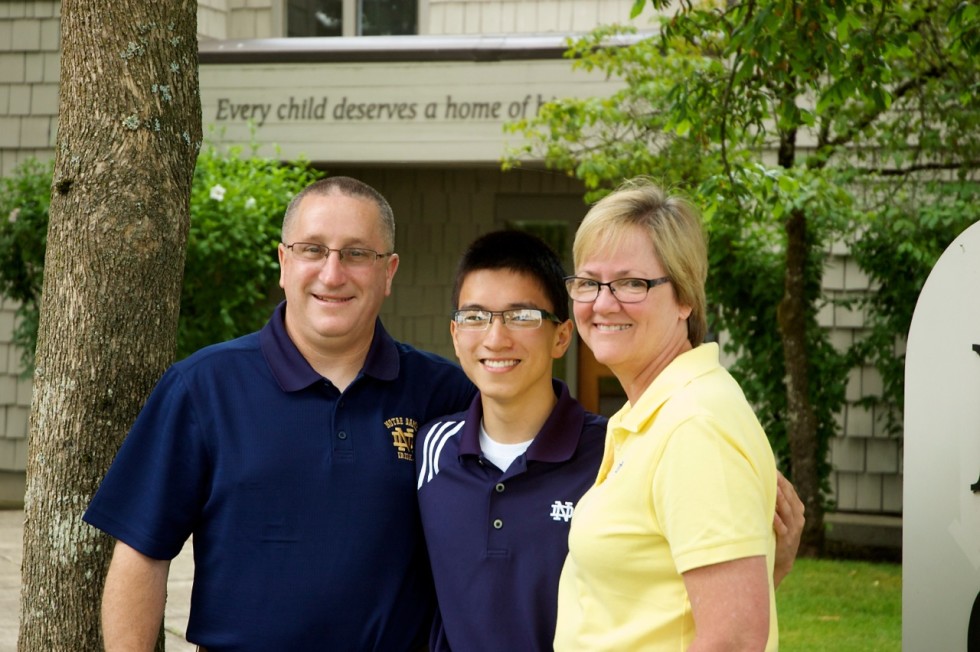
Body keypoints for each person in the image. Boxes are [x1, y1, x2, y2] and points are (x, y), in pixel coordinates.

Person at [83, 176, 476, 651]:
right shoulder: (204, 387)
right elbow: (141, 554)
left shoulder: (444, 394)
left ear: (388, 271)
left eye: (356, 253)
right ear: (283, 262)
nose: (333, 274)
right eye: (313, 249)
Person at [418, 230, 803, 652]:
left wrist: (767, 567)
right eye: (476, 316)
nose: (496, 337)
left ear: (562, 336)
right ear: (455, 333)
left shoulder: (616, 453)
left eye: (521, 316)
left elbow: (727, 628)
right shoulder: (430, 452)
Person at [554, 178, 781, 651]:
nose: (602, 303)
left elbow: (735, 640)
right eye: (588, 282)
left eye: (631, 283)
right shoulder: (653, 413)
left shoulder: (693, 426)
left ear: (685, 298)